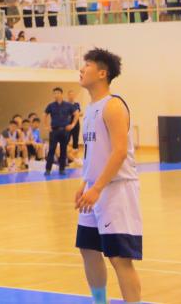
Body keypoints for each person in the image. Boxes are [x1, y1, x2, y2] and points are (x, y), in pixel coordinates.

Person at [75, 48, 142, 304]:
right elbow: (94, 151)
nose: (82, 69)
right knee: (88, 249)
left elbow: (119, 152)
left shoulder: (113, 106)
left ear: (102, 73)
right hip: (94, 188)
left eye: (88, 65)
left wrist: (97, 187)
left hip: (116, 189)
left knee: (119, 258)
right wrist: (85, 182)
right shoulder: (90, 108)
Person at [45, 87, 75, 175]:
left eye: (58, 93)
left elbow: (76, 114)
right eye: (54, 93)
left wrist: (72, 124)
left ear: (61, 94)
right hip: (54, 130)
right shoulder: (51, 105)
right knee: (51, 150)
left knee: (63, 150)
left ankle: (62, 169)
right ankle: (48, 169)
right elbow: (44, 114)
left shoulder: (68, 105)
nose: (56, 95)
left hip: (64, 130)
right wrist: (47, 126)